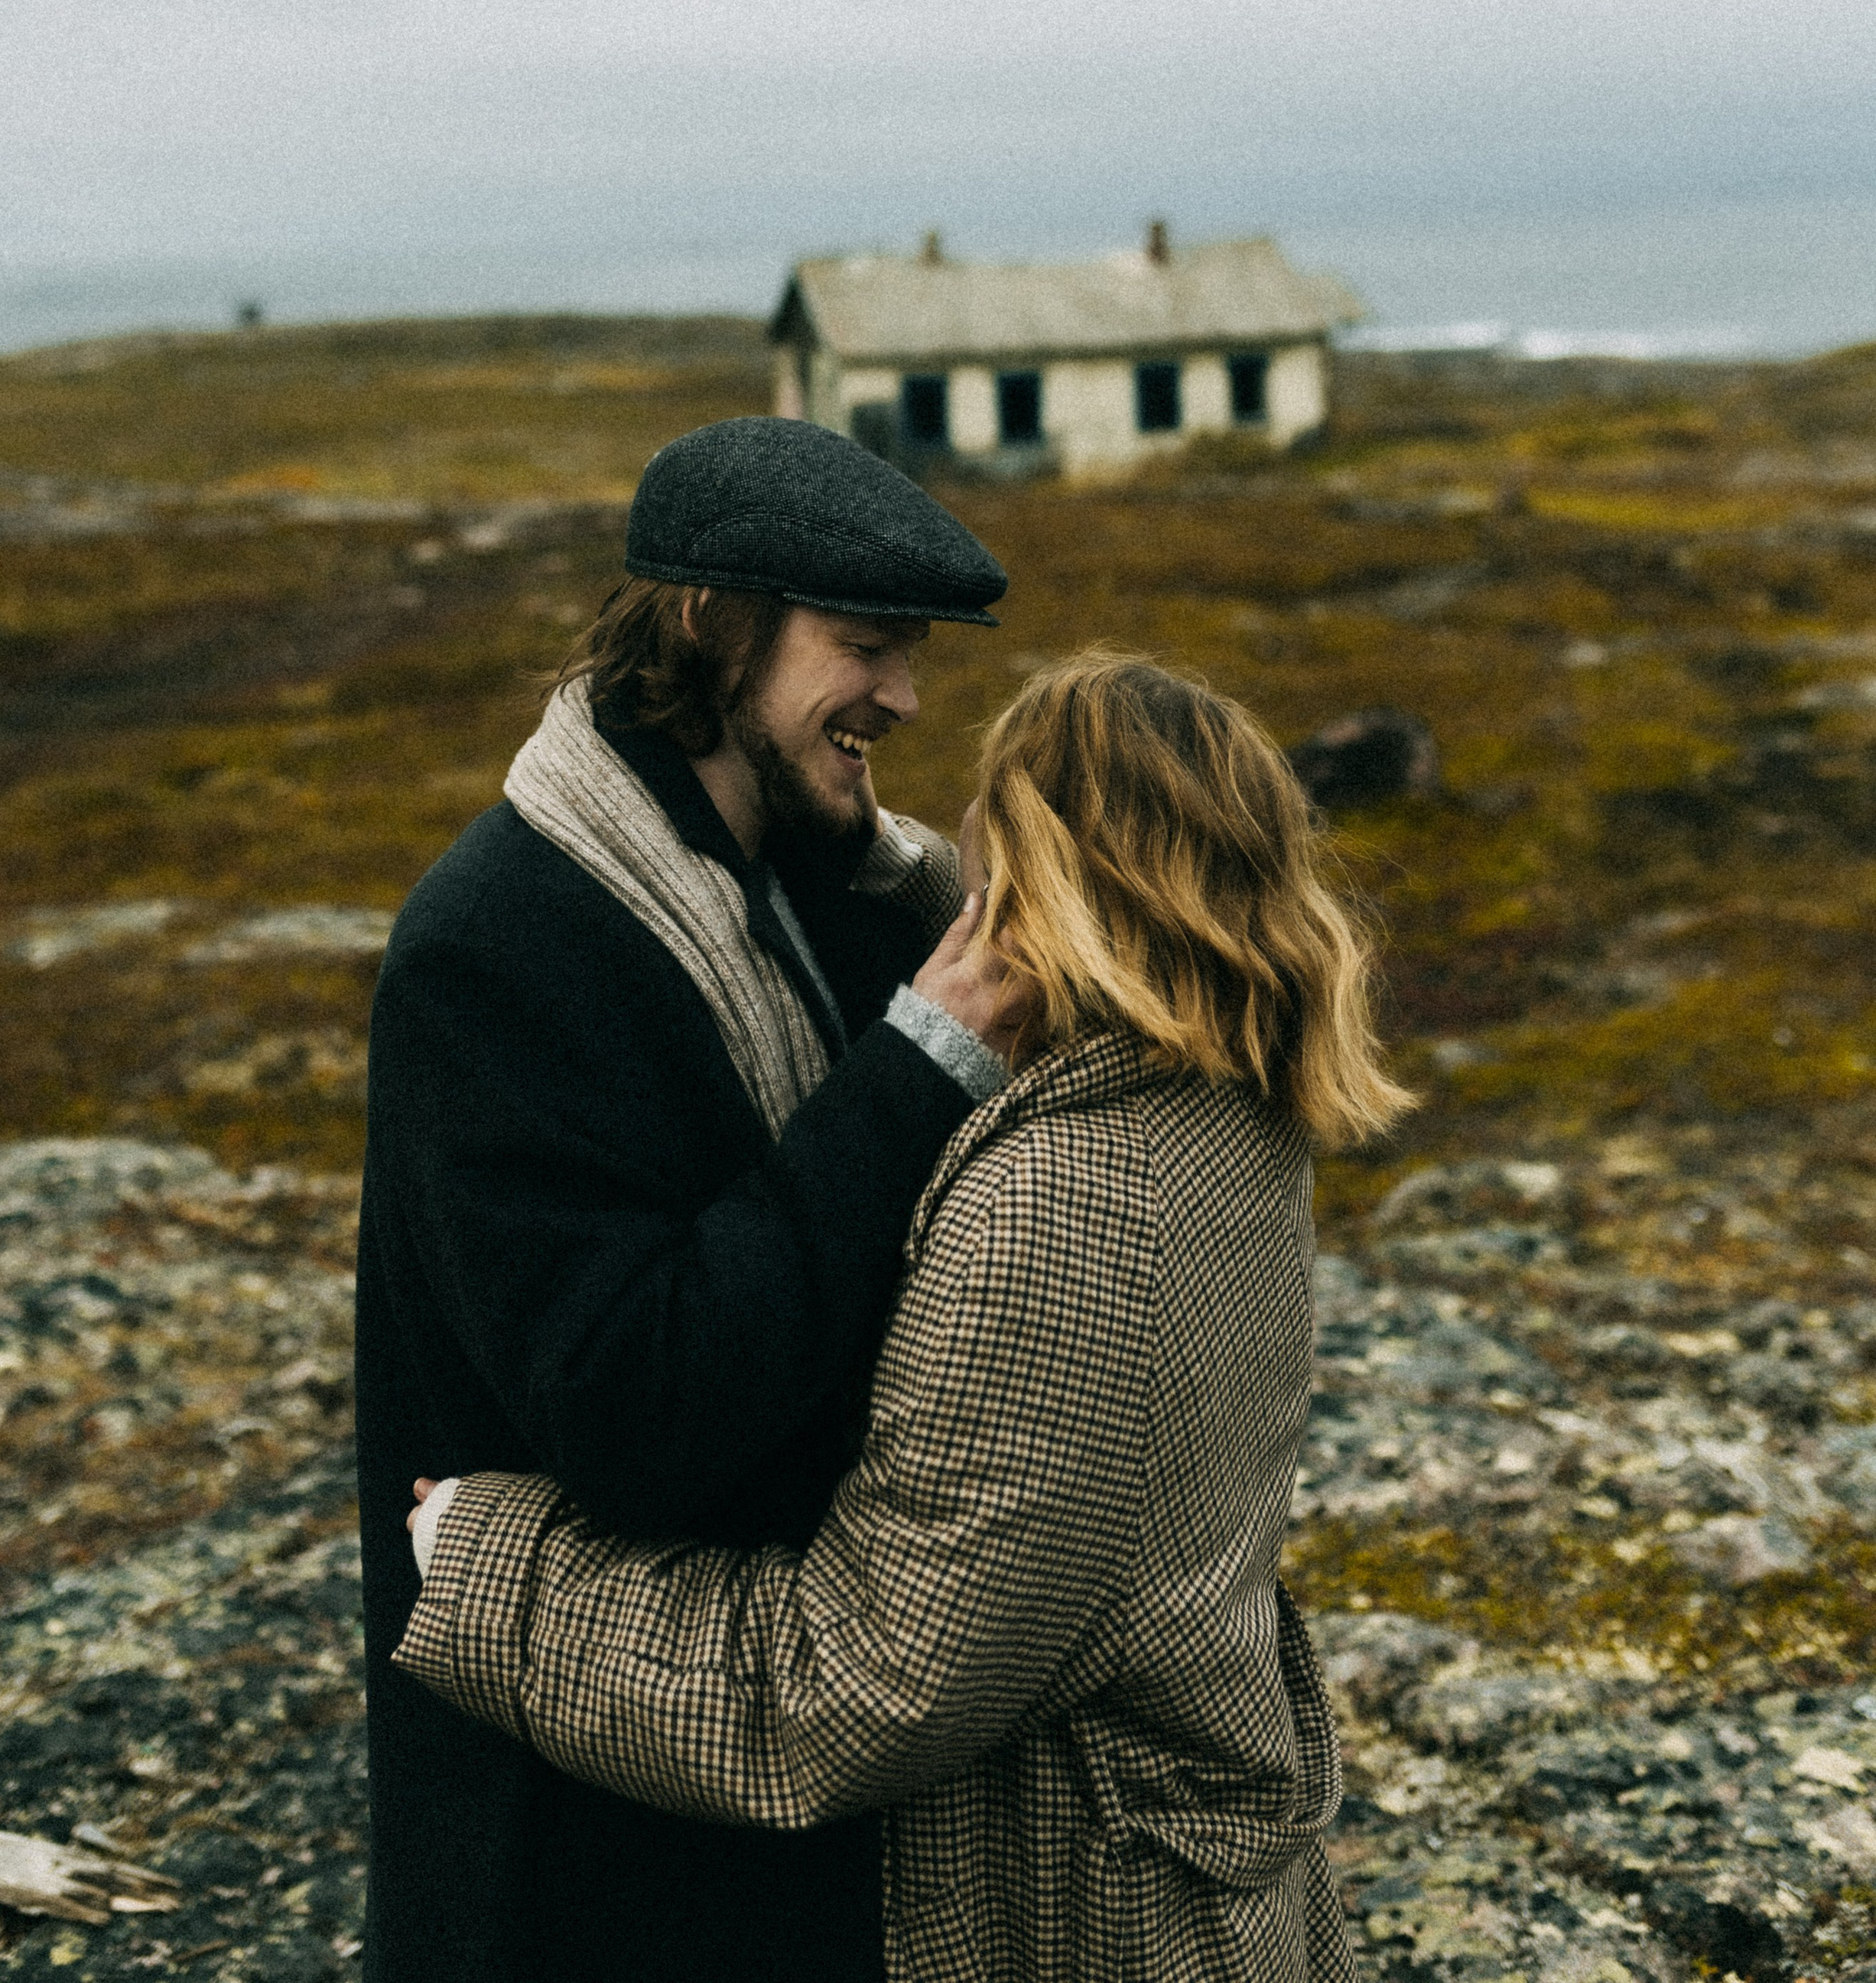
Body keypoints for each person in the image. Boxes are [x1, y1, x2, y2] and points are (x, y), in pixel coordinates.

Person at [395, 653, 1417, 1983]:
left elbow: (848, 1698)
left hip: (1075, 1921)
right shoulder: (1233, 1109)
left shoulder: (1070, 1203)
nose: (964, 850)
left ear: (1043, 865)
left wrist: (492, 1568)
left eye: (994, 820)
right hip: (1185, 1886)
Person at [355, 415, 1020, 1983]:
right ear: (713, 628)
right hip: (578, 1835)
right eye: (864, 646)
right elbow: (631, 1406)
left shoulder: (829, 886)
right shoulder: (498, 947)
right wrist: (925, 1064)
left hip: (754, 1750)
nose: (905, 699)